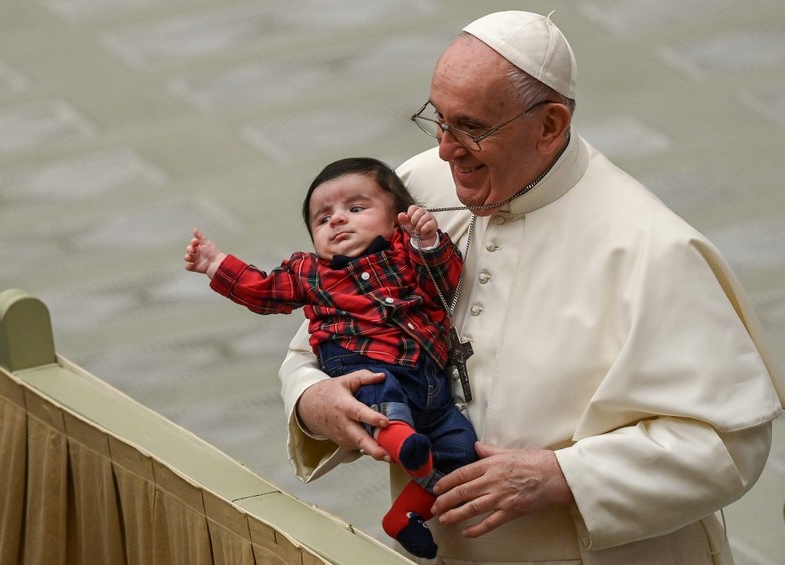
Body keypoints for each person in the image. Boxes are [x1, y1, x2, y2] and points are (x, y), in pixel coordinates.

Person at [278, 10, 785, 564]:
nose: (447, 150)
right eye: (438, 120)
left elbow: (728, 444)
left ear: (550, 126)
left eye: (471, 127)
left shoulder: (649, 246)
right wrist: (313, 400)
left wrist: (564, 475)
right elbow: (318, 340)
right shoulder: (414, 191)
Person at [184, 157, 478, 558]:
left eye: (356, 209)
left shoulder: (407, 255)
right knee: (380, 393)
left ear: (396, 220)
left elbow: (445, 285)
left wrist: (428, 243)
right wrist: (216, 264)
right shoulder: (311, 272)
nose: (337, 220)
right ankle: (398, 437)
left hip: (429, 382)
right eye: (323, 219)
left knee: (461, 448)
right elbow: (266, 290)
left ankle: (406, 515)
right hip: (363, 365)